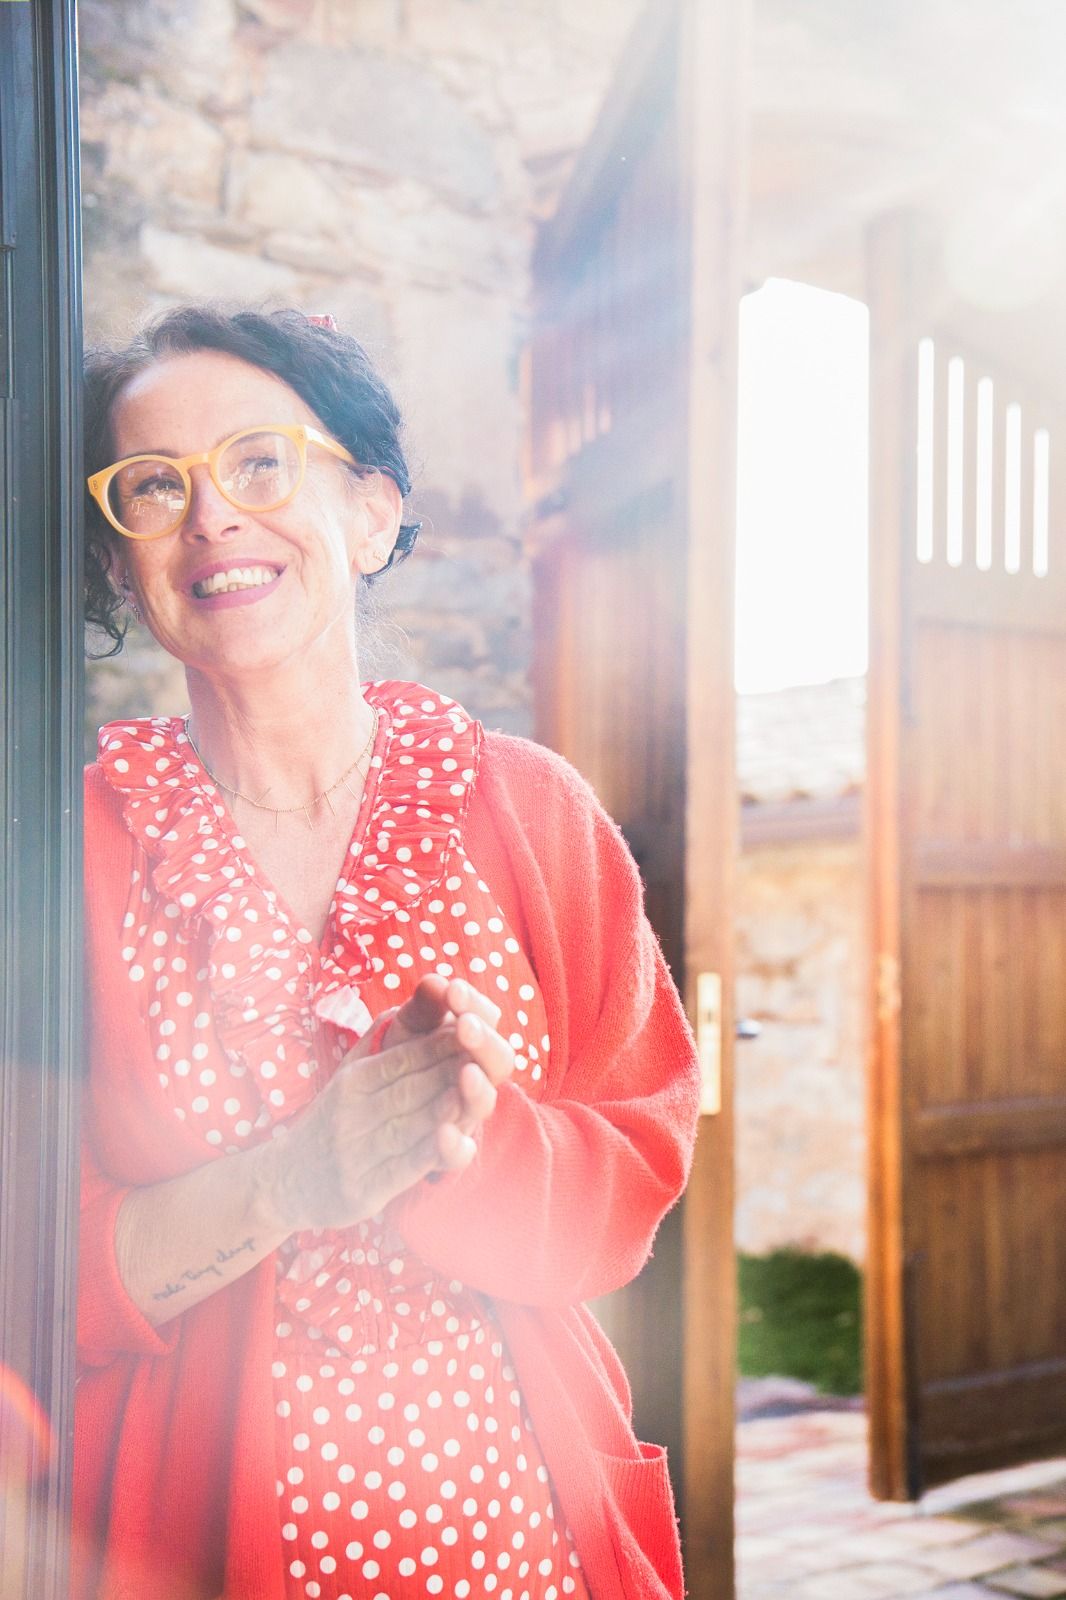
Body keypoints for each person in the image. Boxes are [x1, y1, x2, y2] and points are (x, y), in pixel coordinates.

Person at [76, 304, 701, 1600]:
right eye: (154, 485)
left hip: (521, 1548)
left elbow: (636, 1170)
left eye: (260, 462)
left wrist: (467, 1142)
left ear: (369, 512)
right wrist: (294, 1178)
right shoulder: (67, 855)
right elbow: (36, 1275)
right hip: (188, 1554)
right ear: (122, 559)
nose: (211, 520)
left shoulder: (532, 811)